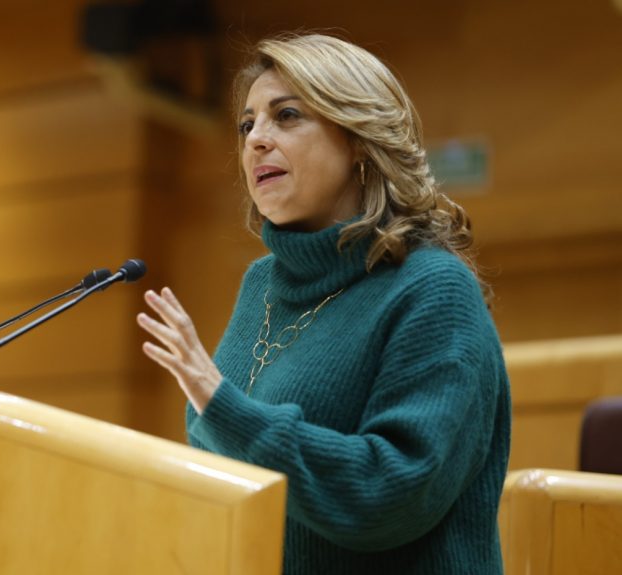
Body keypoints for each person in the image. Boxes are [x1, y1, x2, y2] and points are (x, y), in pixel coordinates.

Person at [136, 33, 510, 574]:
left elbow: (389, 492)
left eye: (286, 116)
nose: (256, 140)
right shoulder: (262, 284)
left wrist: (222, 404)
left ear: (359, 138)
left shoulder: (433, 290)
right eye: (247, 124)